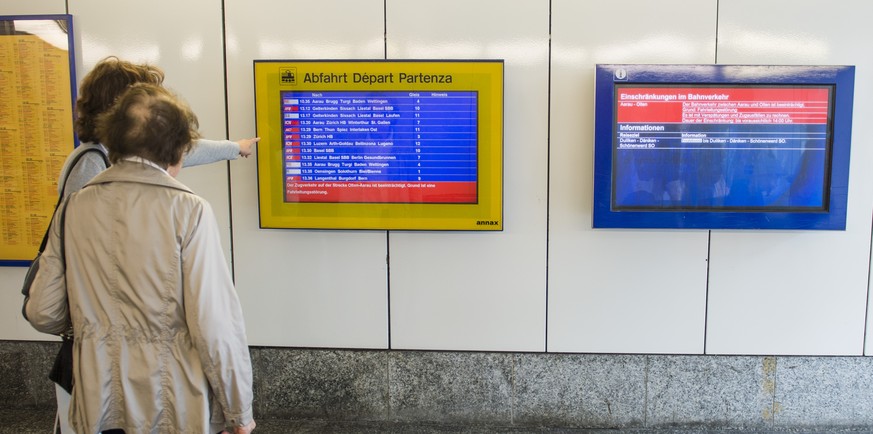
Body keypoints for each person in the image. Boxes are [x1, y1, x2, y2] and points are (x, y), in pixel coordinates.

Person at [26, 83, 256, 434]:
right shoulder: (189, 211)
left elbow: (43, 311)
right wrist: (238, 411)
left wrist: (95, 327)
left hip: (95, 398)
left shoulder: (75, 207)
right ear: (179, 149)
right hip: (174, 399)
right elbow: (215, 325)